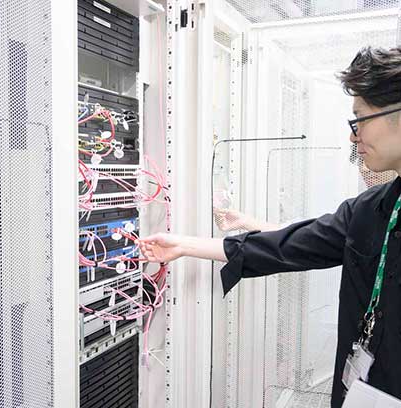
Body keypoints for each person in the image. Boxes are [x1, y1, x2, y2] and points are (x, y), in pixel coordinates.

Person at [139, 46, 401, 406]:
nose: (353, 137)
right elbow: (295, 244)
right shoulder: (375, 207)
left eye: (360, 120)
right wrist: (184, 245)